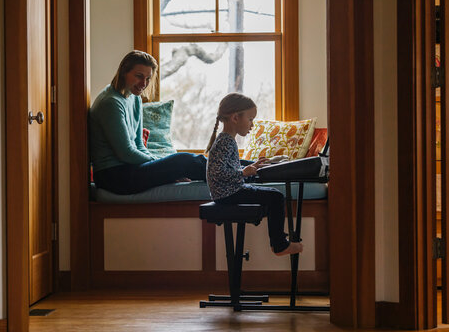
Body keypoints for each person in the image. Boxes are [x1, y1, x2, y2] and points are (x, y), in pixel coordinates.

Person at [89, 50, 207, 195]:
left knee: (185, 162)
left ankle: (238, 171)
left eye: (148, 78)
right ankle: (234, 175)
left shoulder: (134, 97)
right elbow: (126, 153)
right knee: (183, 160)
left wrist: (165, 169)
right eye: (138, 76)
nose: (143, 84)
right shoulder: (110, 102)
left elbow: (138, 145)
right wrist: (164, 166)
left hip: (128, 169)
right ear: (124, 72)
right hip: (113, 176)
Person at [205, 93, 304, 256]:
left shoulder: (226, 140)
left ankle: (279, 242)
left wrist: (251, 166)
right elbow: (217, 172)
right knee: (276, 197)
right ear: (235, 118)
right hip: (228, 194)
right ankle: (279, 245)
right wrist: (243, 172)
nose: (252, 125)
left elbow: (229, 167)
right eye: (250, 119)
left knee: (271, 195)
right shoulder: (226, 141)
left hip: (228, 192)